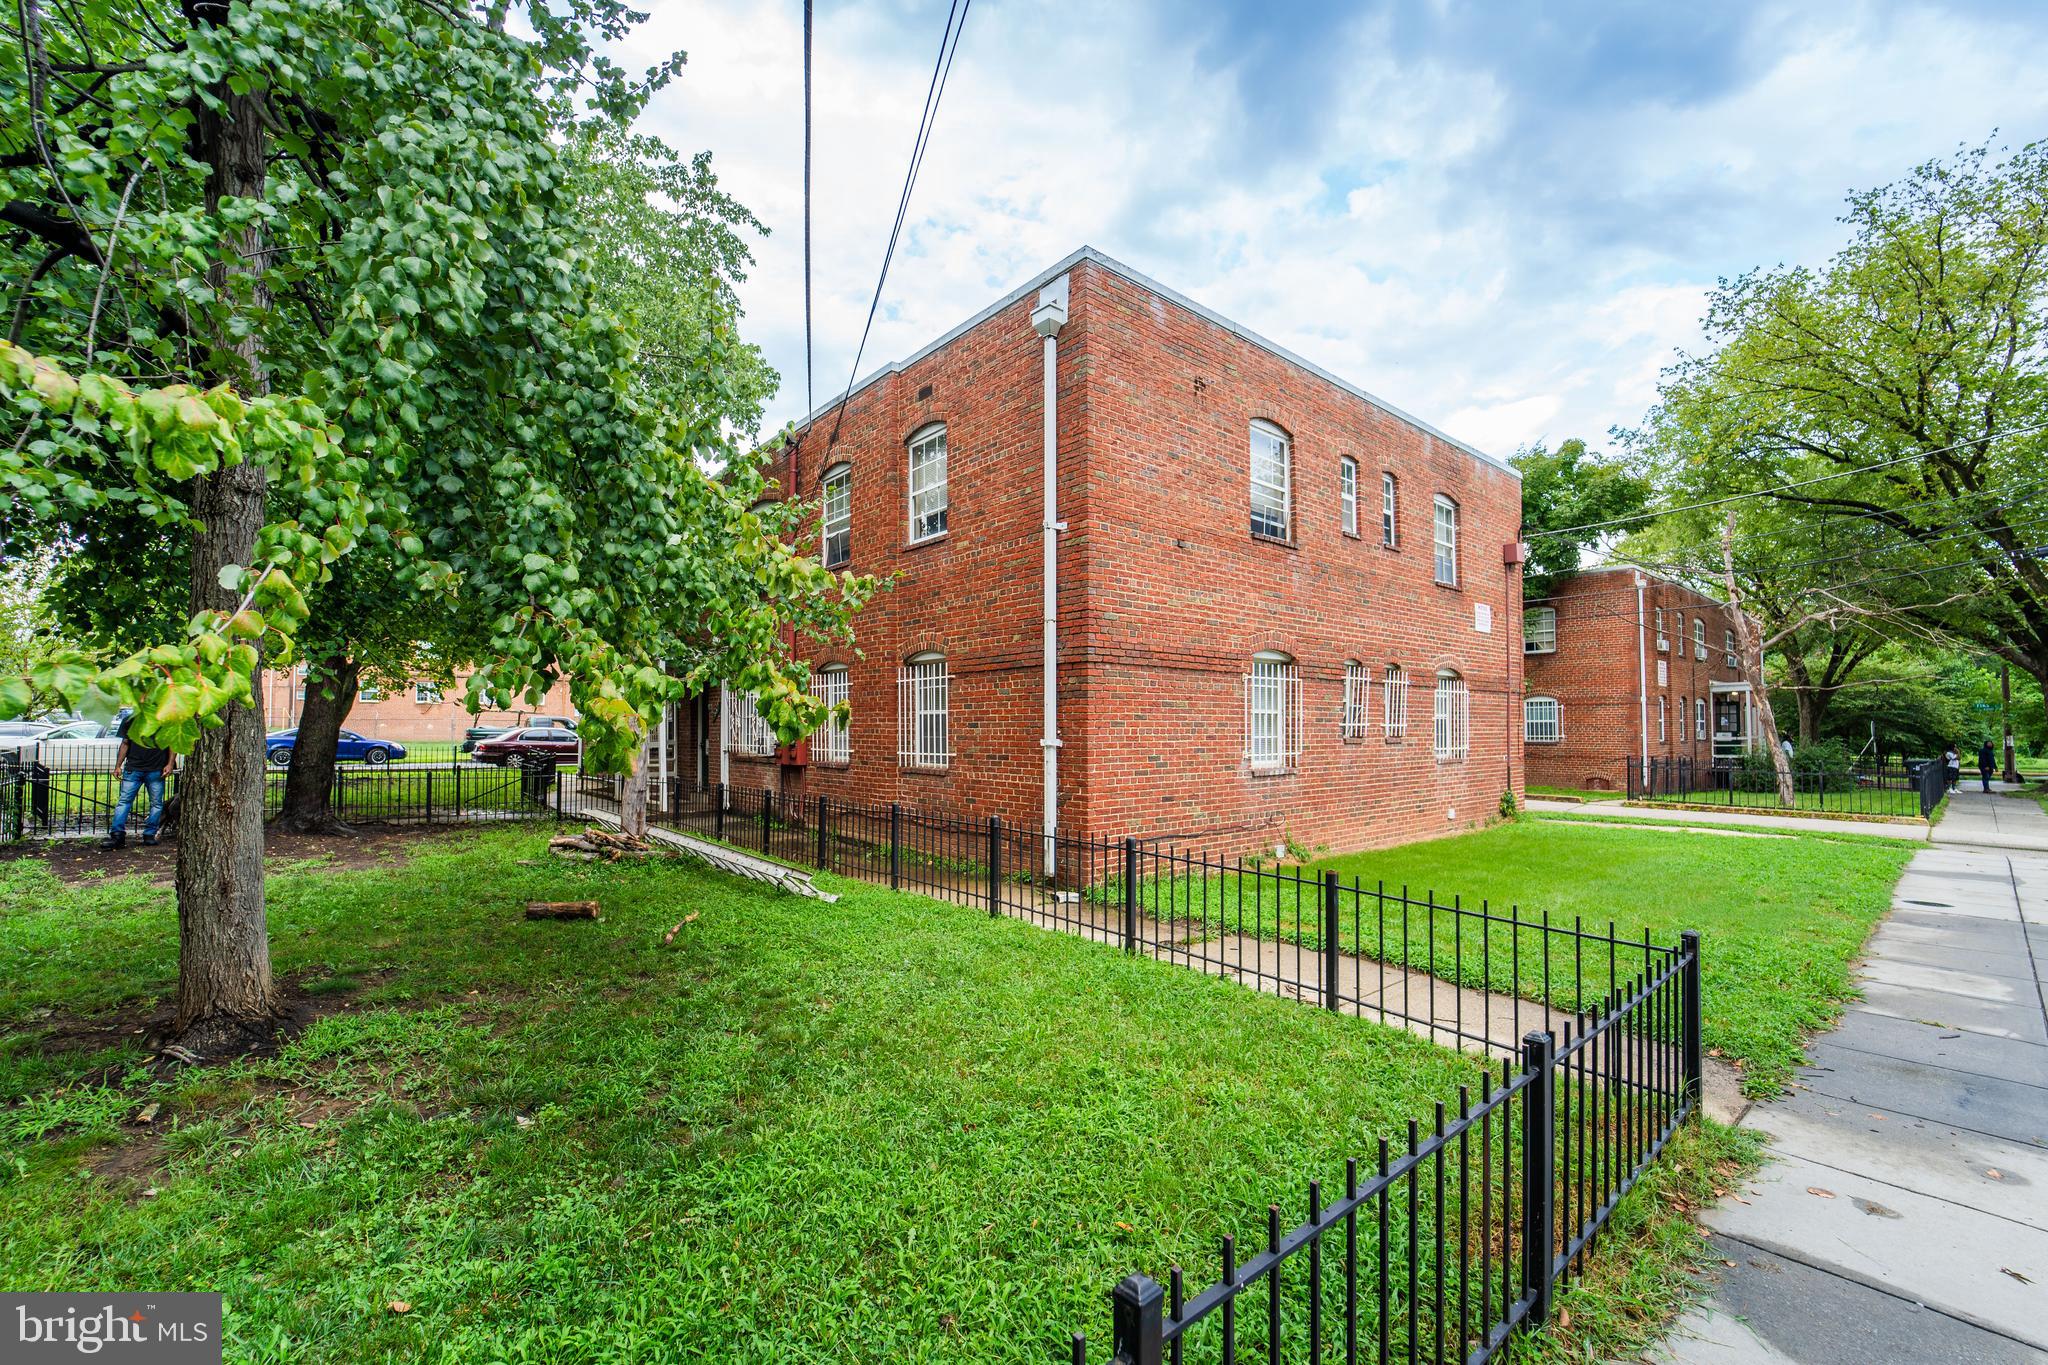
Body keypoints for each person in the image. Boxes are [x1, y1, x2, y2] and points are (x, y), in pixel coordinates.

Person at [102, 710, 173, 849]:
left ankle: (149, 834)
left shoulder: (164, 719)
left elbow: (171, 743)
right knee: (125, 802)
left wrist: (170, 764)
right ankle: (118, 836)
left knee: (155, 803)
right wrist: (118, 766)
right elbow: (125, 743)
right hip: (134, 768)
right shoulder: (131, 719)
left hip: (155, 769)